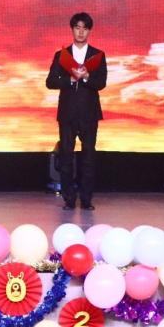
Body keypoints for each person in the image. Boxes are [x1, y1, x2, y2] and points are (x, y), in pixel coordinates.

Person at [46, 12, 108, 210]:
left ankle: (87, 200)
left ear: (89, 31)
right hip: (67, 113)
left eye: (85, 28)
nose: (81, 32)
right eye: (77, 28)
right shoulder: (61, 56)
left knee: (88, 158)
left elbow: (101, 83)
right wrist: (71, 79)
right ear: (72, 30)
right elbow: (50, 82)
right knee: (66, 156)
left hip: (89, 113)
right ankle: (69, 199)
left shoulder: (98, 55)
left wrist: (87, 76)